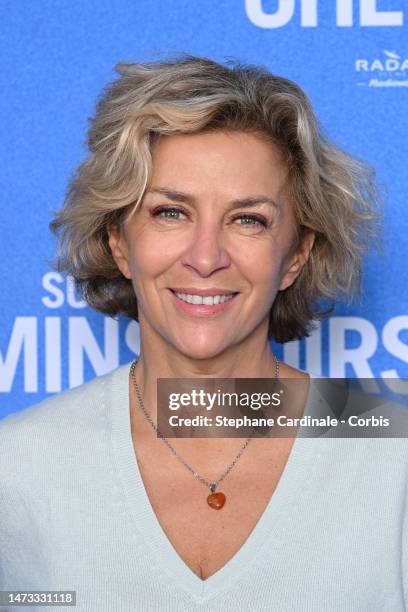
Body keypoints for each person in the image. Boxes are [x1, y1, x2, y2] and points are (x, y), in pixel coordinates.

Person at [0, 56, 407, 612]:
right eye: (170, 212)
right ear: (119, 240)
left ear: (296, 256)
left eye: (248, 220)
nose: (206, 258)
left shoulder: (396, 456)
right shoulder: (17, 465)